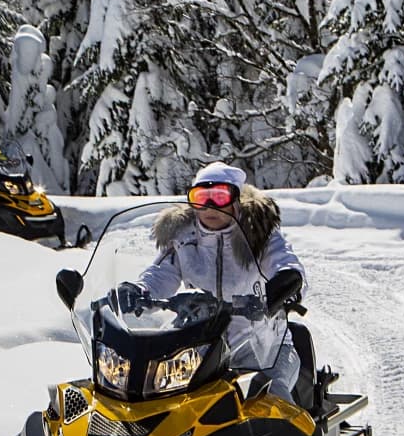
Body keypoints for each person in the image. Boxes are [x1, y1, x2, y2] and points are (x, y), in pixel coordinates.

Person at [129, 162, 308, 402]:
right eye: (202, 197)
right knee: (158, 394)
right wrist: (137, 291)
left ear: (236, 199)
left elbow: (284, 261)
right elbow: (161, 274)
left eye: (219, 197)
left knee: (269, 397)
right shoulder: (184, 236)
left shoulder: (258, 234)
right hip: (200, 347)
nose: (210, 206)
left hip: (264, 347)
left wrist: (284, 285)